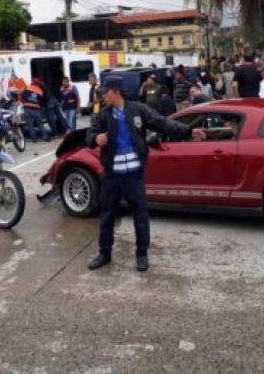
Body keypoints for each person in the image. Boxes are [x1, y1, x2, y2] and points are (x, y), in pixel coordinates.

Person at [86, 76, 206, 272]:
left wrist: (188, 131)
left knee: (140, 216)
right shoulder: (102, 115)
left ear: (116, 92)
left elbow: (163, 123)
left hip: (134, 175)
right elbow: (89, 134)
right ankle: (104, 254)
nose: (102, 96)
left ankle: (142, 255)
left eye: (105, 92)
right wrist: (95, 138)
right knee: (106, 216)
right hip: (112, 176)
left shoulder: (138, 110)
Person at [21, 78, 47, 142]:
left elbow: (22, 95)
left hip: (27, 108)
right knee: (40, 124)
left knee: (30, 125)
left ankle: (34, 139)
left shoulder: (27, 87)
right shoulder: (40, 91)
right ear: (38, 83)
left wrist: (24, 102)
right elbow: (41, 100)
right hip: (36, 109)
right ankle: (45, 137)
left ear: (32, 82)